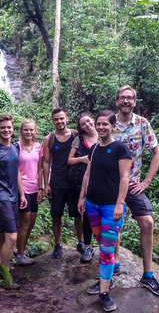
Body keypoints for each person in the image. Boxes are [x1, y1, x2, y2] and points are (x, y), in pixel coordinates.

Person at [112, 85, 159, 298]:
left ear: (134, 102)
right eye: (122, 98)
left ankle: (148, 274)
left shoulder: (143, 124)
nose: (126, 101)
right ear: (117, 101)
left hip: (133, 184)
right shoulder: (108, 122)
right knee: (113, 224)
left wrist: (146, 181)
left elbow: (157, 154)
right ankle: (113, 264)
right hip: (111, 185)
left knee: (147, 222)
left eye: (130, 98)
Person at [78, 110, 131, 312]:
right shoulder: (93, 149)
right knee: (103, 245)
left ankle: (104, 292)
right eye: (98, 124)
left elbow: (125, 178)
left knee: (107, 250)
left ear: (113, 126)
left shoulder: (120, 149)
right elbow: (87, 175)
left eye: (105, 124)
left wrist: (120, 203)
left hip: (111, 206)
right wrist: (82, 198)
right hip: (92, 205)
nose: (101, 127)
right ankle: (106, 280)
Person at [0, 114, 27, 269]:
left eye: (9, 127)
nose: (6, 130)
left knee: (1, 234)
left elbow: (17, 172)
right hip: (1, 197)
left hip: (14, 196)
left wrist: (22, 194)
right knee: (12, 236)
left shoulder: (15, 147)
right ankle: (6, 273)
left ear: (13, 129)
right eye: (3, 128)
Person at [43, 107, 84, 258]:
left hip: (74, 182)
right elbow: (46, 162)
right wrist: (46, 183)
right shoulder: (49, 138)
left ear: (67, 118)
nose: (59, 121)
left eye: (62, 118)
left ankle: (80, 242)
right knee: (56, 215)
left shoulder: (76, 135)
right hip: (57, 182)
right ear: (53, 121)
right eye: (56, 119)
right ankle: (58, 244)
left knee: (78, 214)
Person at [68, 112, 98, 263]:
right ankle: (87, 247)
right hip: (82, 182)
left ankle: (106, 248)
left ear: (93, 120)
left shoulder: (105, 135)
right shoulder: (79, 139)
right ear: (80, 128)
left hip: (102, 182)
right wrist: (82, 159)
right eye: (83, 124)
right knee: (85, 215)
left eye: (88, 121)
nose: (87, 125)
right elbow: (70, 160)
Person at [16, 119, 44, 266]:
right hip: (23, 189)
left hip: (35, 189)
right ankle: (20, 255)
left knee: (31, 223)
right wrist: (21, 193)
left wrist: (40, 188)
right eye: (26, 130)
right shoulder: (16, 147)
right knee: (24, 224)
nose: (28, 132)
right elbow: (15, 171)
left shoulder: (38, 147)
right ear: (21, 131)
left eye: (31, 130)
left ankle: (22, 250)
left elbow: (39, 169)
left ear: (35, 131)